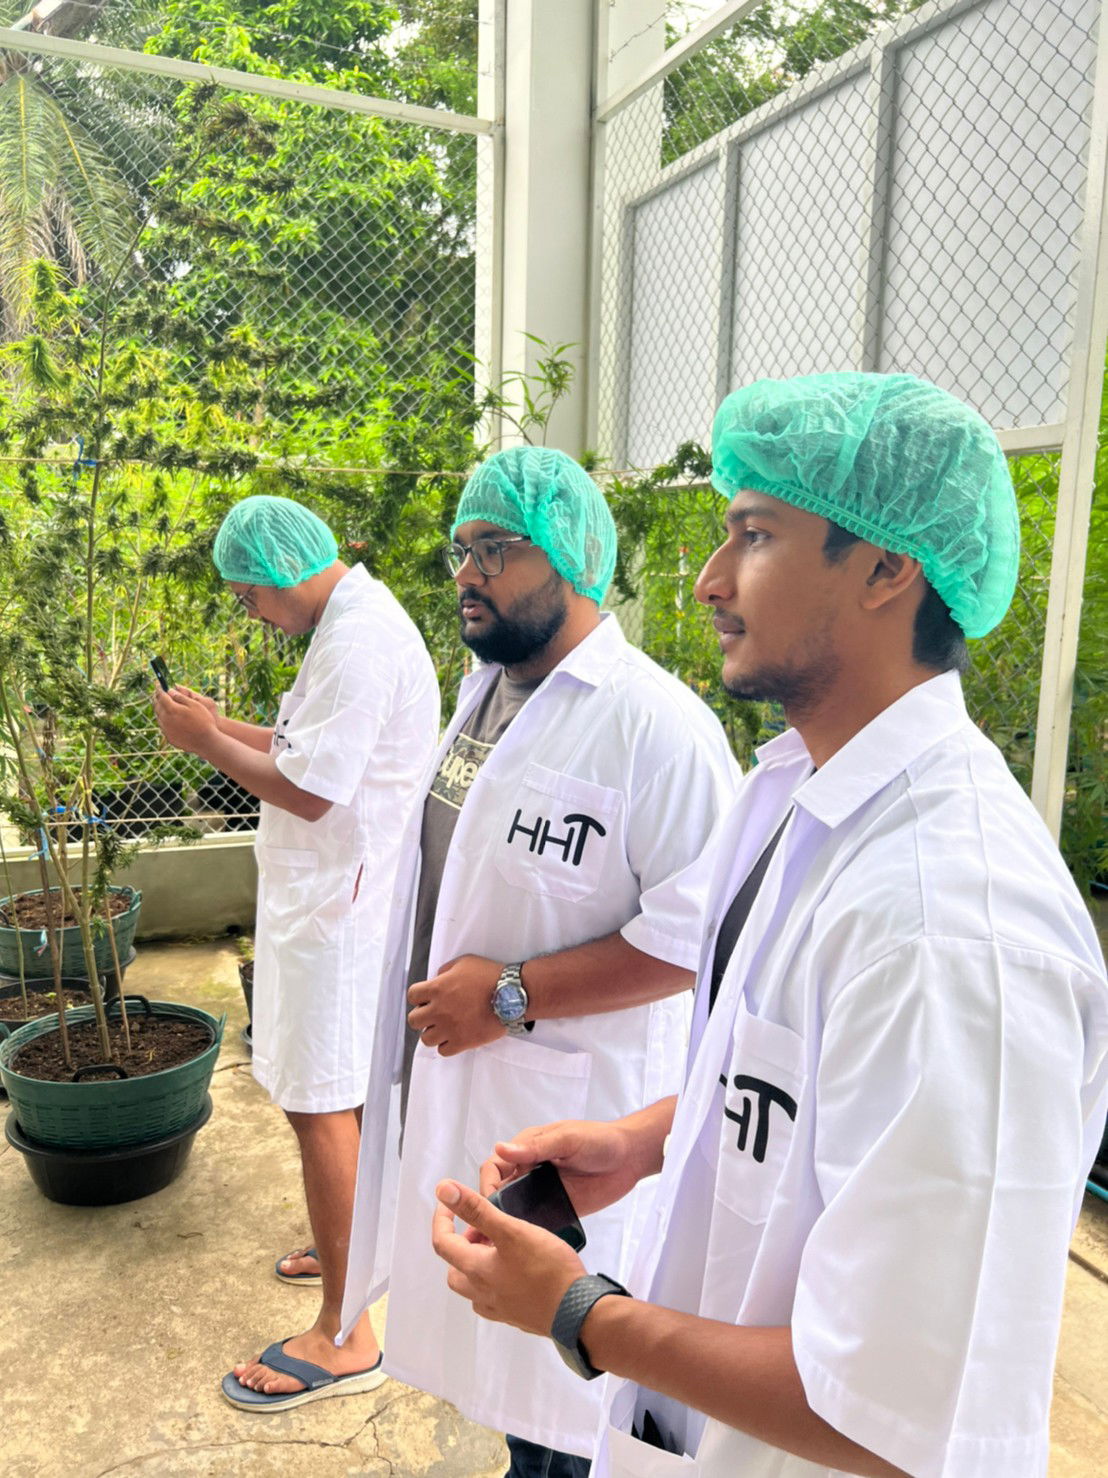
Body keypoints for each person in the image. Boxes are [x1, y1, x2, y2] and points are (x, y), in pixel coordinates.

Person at [431, 374, 1108, 1478]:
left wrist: (580, 1312)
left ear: (889, 565)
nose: (706, 579)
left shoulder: (950, 929)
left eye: (753, 533)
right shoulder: (801, 791)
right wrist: (649, 1139)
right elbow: (803, 1083)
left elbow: (894, 1413)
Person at [338, 446, 741, 1475]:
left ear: (571, 556)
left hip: (567, 1110)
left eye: (498, 548)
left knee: (568, 1409)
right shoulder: (481, 694)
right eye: (460, 549)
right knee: (505, 1364)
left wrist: (509, 994)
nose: (468, 571)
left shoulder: (658, 728)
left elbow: (691, 938)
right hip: (466, 1088)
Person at [153, 494, 439, 1412]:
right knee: (326, 1096)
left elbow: (312, 790)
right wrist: (219, 728)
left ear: (278, 574)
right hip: (323, 905)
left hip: (340, 912)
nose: (250, 614)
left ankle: (347, 1332)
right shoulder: (348, 625)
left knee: (320, 1103)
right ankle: (353, 1239)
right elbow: (300, 746)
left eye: (246, 596)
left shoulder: (358, 640)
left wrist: (203, 742)